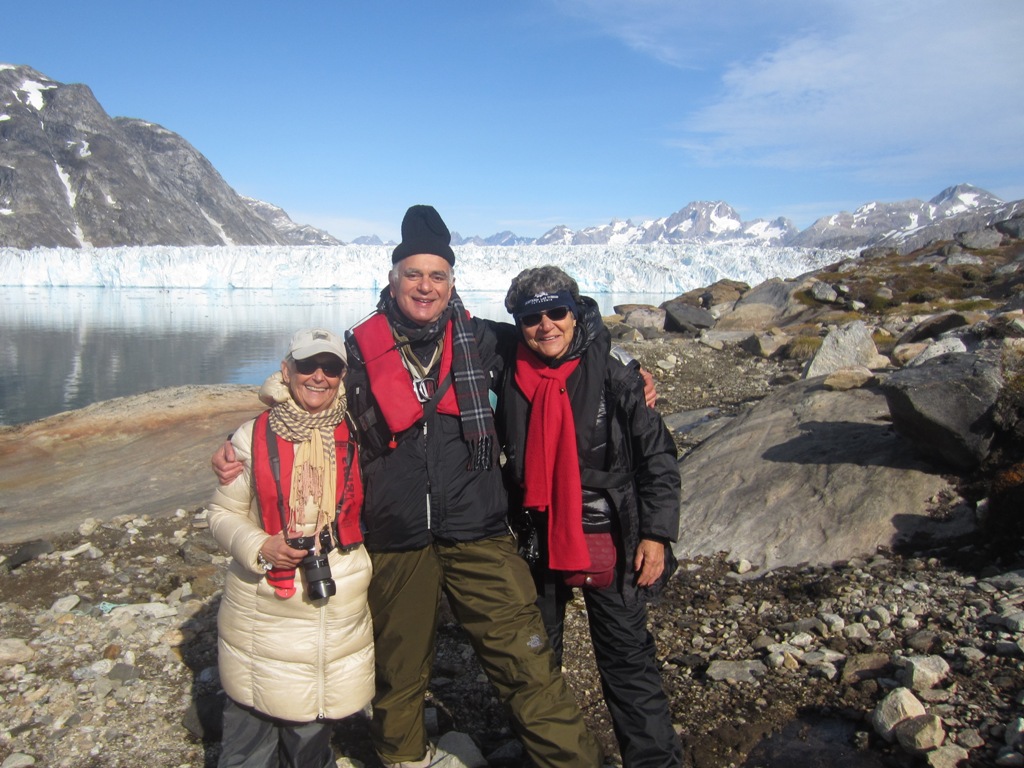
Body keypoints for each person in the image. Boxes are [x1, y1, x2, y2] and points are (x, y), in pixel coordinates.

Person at [214, 206, 603, 768]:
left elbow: (561, 346)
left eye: (437, 275)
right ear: (393, 279)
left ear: (452, 282)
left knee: (527, 664)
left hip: (478, 530)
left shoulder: (484, 341)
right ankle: (405, 760)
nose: (426, 286)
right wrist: (234, 440)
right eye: (414, 274)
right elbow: (304, 397)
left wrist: (628, 367)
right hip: (396, 537)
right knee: (399, 672)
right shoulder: (359, 353)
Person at [495, 266, 684, 768]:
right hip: (538, 537)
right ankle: (550, 755)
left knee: (628, 663)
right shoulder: (505, 369)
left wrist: (657, 535)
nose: (547, 325)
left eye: (557, 312)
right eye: (532, 316)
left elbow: (658, 457)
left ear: (576, 312)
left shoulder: (617, 372)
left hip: (612, 535)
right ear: (518, 321)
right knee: (537, 660)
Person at [208, 328, 374, 768]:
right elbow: (221, 516)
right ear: (287, 370)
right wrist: (263, 546)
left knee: (311, 724)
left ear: (343, 375)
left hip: (333, 596)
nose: (319, 376)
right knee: (251, 721)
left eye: (331, 367)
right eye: (307, 366)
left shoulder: (359, 430)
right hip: (264, 605)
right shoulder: (250, 437)